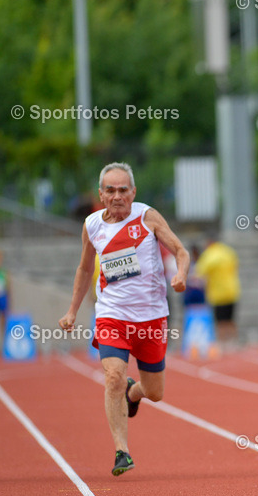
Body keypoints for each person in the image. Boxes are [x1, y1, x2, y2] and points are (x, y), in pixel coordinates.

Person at [59, 162, 189, 476]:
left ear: (133, 192)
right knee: (113, 376)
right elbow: (85, 269)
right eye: (110, 190)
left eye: (123, 190)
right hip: (112, 315)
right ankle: (122, 451)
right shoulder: (92, 225)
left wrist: (182, 274)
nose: (117, 196)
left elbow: (181, 250)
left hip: (151, 317)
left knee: (155, 392)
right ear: (100, 194)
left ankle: (135, 393)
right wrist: (73, 310)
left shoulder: (147, 217)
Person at [196, 235, 240, 346]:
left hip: (218, 293)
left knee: (220, 321)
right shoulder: (228, 251)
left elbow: (200, 273)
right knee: (230, 319)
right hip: (232, 290)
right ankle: (234, 342)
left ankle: (222, 343)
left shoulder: (209, 254)